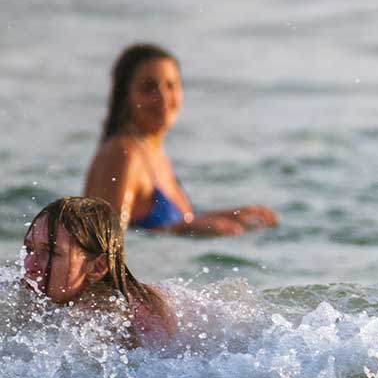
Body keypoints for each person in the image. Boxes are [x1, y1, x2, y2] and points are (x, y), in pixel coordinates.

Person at [83, 43, 279, 236]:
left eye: (171, 86)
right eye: (149, 88)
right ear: (125, 96)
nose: (163, 97)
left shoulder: (152, 151)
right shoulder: (122, 153)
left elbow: (166, 225)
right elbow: (104, 240)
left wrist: (226, 216)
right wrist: (183, 229)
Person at [20, 196, 175, 346]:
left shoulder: (99, 317)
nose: (29, 266)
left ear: (97, 267)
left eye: (51, 253)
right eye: (29, 249)